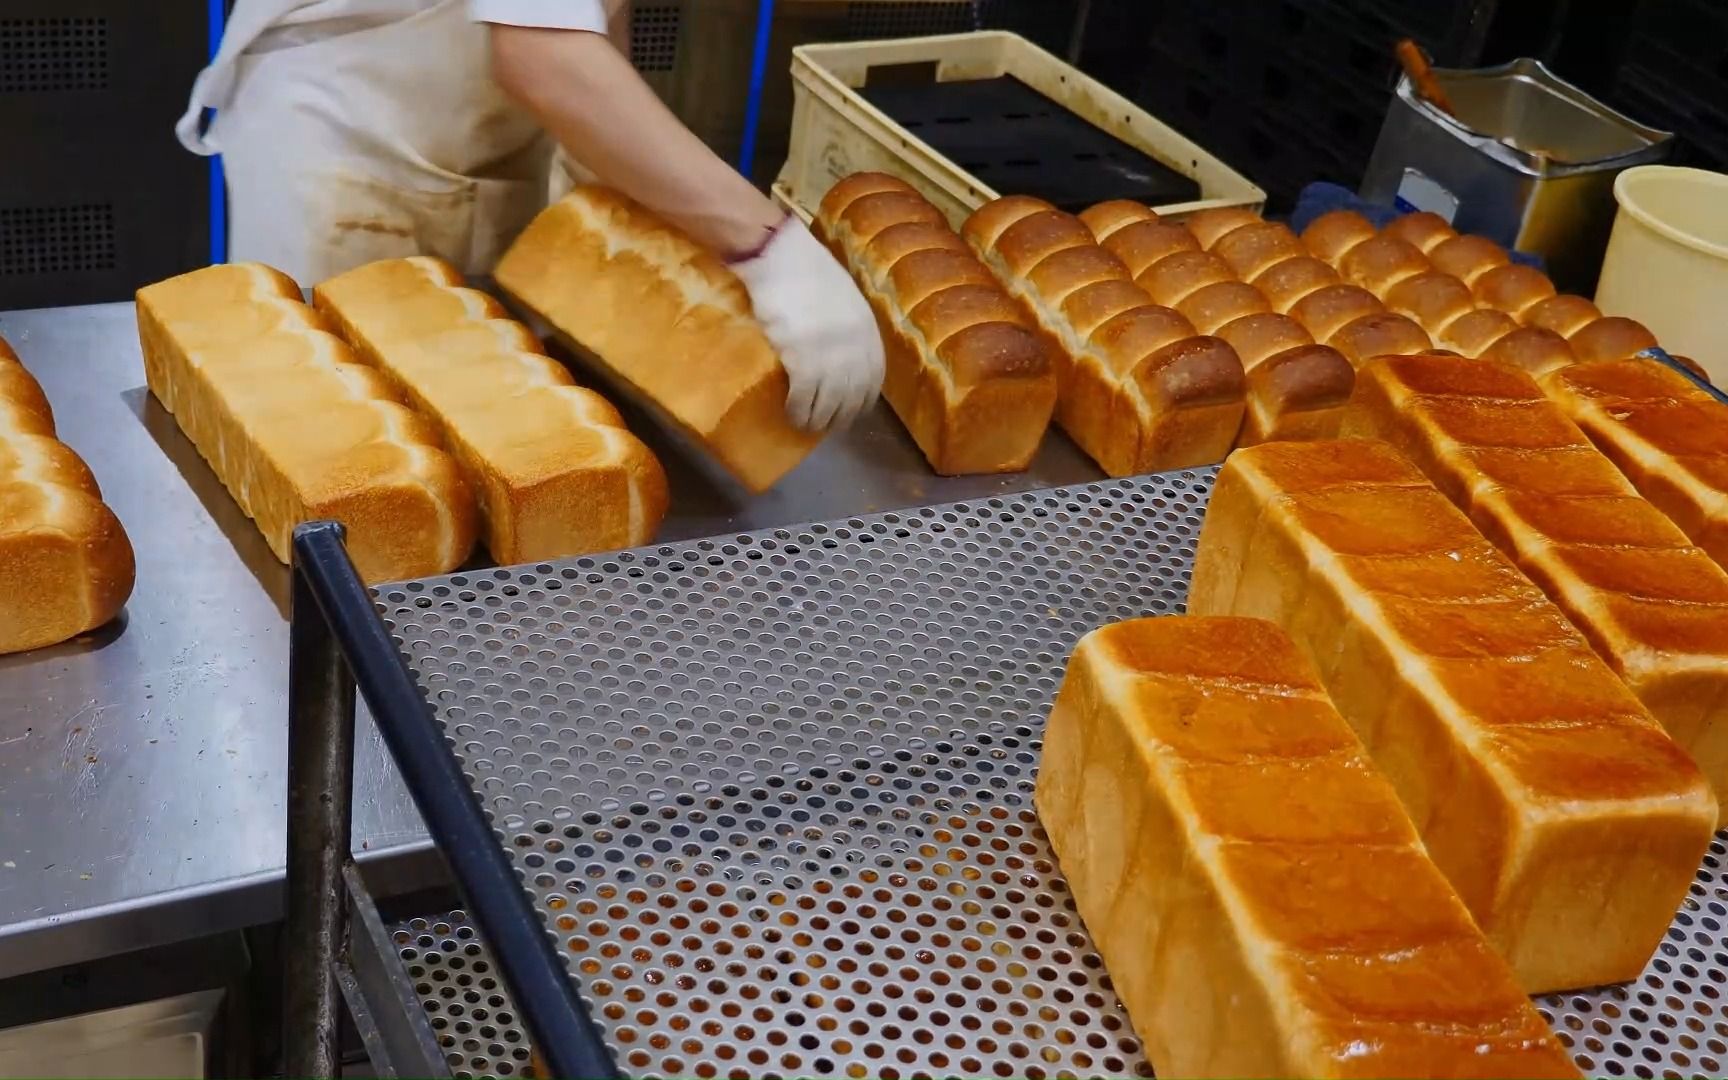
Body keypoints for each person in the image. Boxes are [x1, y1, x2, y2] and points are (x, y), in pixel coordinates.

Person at [177, 0, 884, 432]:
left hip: (470, 135)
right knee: (339, 451)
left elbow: (581, 13)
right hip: (355, 151)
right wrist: (769, 246)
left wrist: (608, 167)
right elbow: (542, 55)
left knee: (480, 445)